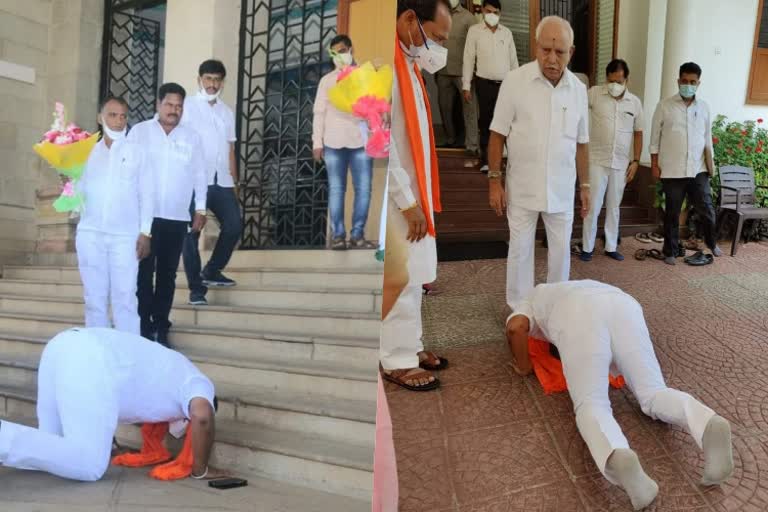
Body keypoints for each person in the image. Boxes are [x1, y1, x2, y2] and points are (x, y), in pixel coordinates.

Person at [505, 280, 734, 510]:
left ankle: (617, 454)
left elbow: (516, 327)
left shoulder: (531, 298)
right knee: (654, 391)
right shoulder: (571, 285)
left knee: (591, 403)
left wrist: (523, 367)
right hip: (624, 304)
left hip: (577, 315)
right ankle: (707, 423)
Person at [0, 328, 224, 482]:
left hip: (62, 345)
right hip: (91, 359)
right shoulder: (197, 382)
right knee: (90, 465)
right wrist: (200, 469)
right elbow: (203, 416)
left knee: (50, 450)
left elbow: (129, 395)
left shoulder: (171, 370)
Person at [487, 15, 590, 312]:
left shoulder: (579, 90)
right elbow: (496, 135)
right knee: (520, 253)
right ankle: (520, 312)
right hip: (522, 188)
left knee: (560, 256)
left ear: (571, 52)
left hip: (560, 190)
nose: (552, 58)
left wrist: (585, 185)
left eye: (560, 52)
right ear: (536, 47)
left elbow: (582, 142)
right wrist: (495, 180)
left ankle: (554, 311)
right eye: (546, 50)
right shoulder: (514, 81)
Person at [380, 0, 451, 391]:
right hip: (397, 198)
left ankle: (411, 344)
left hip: (413, 192)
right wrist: (407, 201)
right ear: (409, 20)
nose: (438, 48)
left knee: (417, 277)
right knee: (402, 277)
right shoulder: (384, 68)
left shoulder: (409, 66)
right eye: (436, 37)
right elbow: (381, 142)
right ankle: (395, 358)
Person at [128, 83, 207, 346]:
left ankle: (161, 326)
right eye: (169, 105)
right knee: (142, 275)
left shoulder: (191, 137)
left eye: (179, 106)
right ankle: (143, 326)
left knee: (167, 276)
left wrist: (200, 208)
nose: (174, 110)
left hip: (176, 218)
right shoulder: (139, 133)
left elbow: (200, 175)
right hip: (144, 219)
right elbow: (127, 173)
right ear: (158, 104)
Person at [75, 96, 152, 334]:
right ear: (100, 118)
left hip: (125, 236)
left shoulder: (138, 152)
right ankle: (99, 356)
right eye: (112, 115)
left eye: (123, 116)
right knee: (94, 299)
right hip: (90, 234)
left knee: (126, 298)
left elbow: (148, 194)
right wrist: (68, 181)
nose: (119, 121)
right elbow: (77, 199)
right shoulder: (84, 152)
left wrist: (145, 232)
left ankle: (129, 358)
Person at [181, 60, 242, 306]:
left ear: (222, 82)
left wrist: (234, 182)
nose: (212, 84)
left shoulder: (227, 112)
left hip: (221, 181)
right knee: (191, 234)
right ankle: (197, 290)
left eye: (217, 79)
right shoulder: (187, 107)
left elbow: (230, 148)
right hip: (194, 181)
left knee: (234, 226)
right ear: (199, 79)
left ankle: (212, 270)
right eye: (208, 79)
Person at [650, 62, 722, 265]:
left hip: (698, 169)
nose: (688, 85)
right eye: (684, 81)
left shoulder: (704, 107)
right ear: (678, 81)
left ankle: (712, 242)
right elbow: (654, 138)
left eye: (692, 82)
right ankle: (670, 251)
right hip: (672, 171)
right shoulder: (664, 106)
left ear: (698, 83)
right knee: (672, 213)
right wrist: (654, 164)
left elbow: (707, 139)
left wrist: (710, 167)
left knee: (707, 209)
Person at [312, 34, 375, 250]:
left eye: (342, 51)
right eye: (334, 53)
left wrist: (378, 133)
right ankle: (338, 235)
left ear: (350, 50)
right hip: (333, 143)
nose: (339, 56)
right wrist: (316, 143)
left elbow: (375, 107)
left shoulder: (366, 76)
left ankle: (357, 235)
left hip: (362, 141)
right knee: (337, 189)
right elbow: (318, 113)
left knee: (364, 190)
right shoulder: (327, 81)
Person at [581, 59, 643, 262]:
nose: (614, 85)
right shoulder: (594, 94)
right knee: (592, 205)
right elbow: (577, 111)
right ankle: (587, 247)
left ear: (627, 80)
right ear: (606, 78)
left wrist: (635, 161)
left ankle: (610, 246)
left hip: (620, 163)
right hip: (597, 160)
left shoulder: (634, 102)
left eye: (618, 80)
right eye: (611, 80)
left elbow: (639, 132)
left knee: (614, 206)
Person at [463, 0, 518, 171]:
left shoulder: (507, 33)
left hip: (505, 85)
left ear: (500, 14)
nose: (492, 15)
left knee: (506, 123)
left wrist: (517, 86)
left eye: (495, 12)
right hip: (483, 83)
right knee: (486, 122)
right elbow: (468, 58)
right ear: (483, 11)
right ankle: (487, 161)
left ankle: (507, 161)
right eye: (489, 11)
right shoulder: (474, 31)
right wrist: (466, 85)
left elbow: (513, 61)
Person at [435, 0, 479, 153]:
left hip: (463, 72)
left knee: (469, 109)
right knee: (444, 108)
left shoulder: (469, 18)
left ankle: (472, 144)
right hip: (443, 70)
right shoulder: (439, 13)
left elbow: (475, 45)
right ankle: (450, 139)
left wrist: (473, 70)